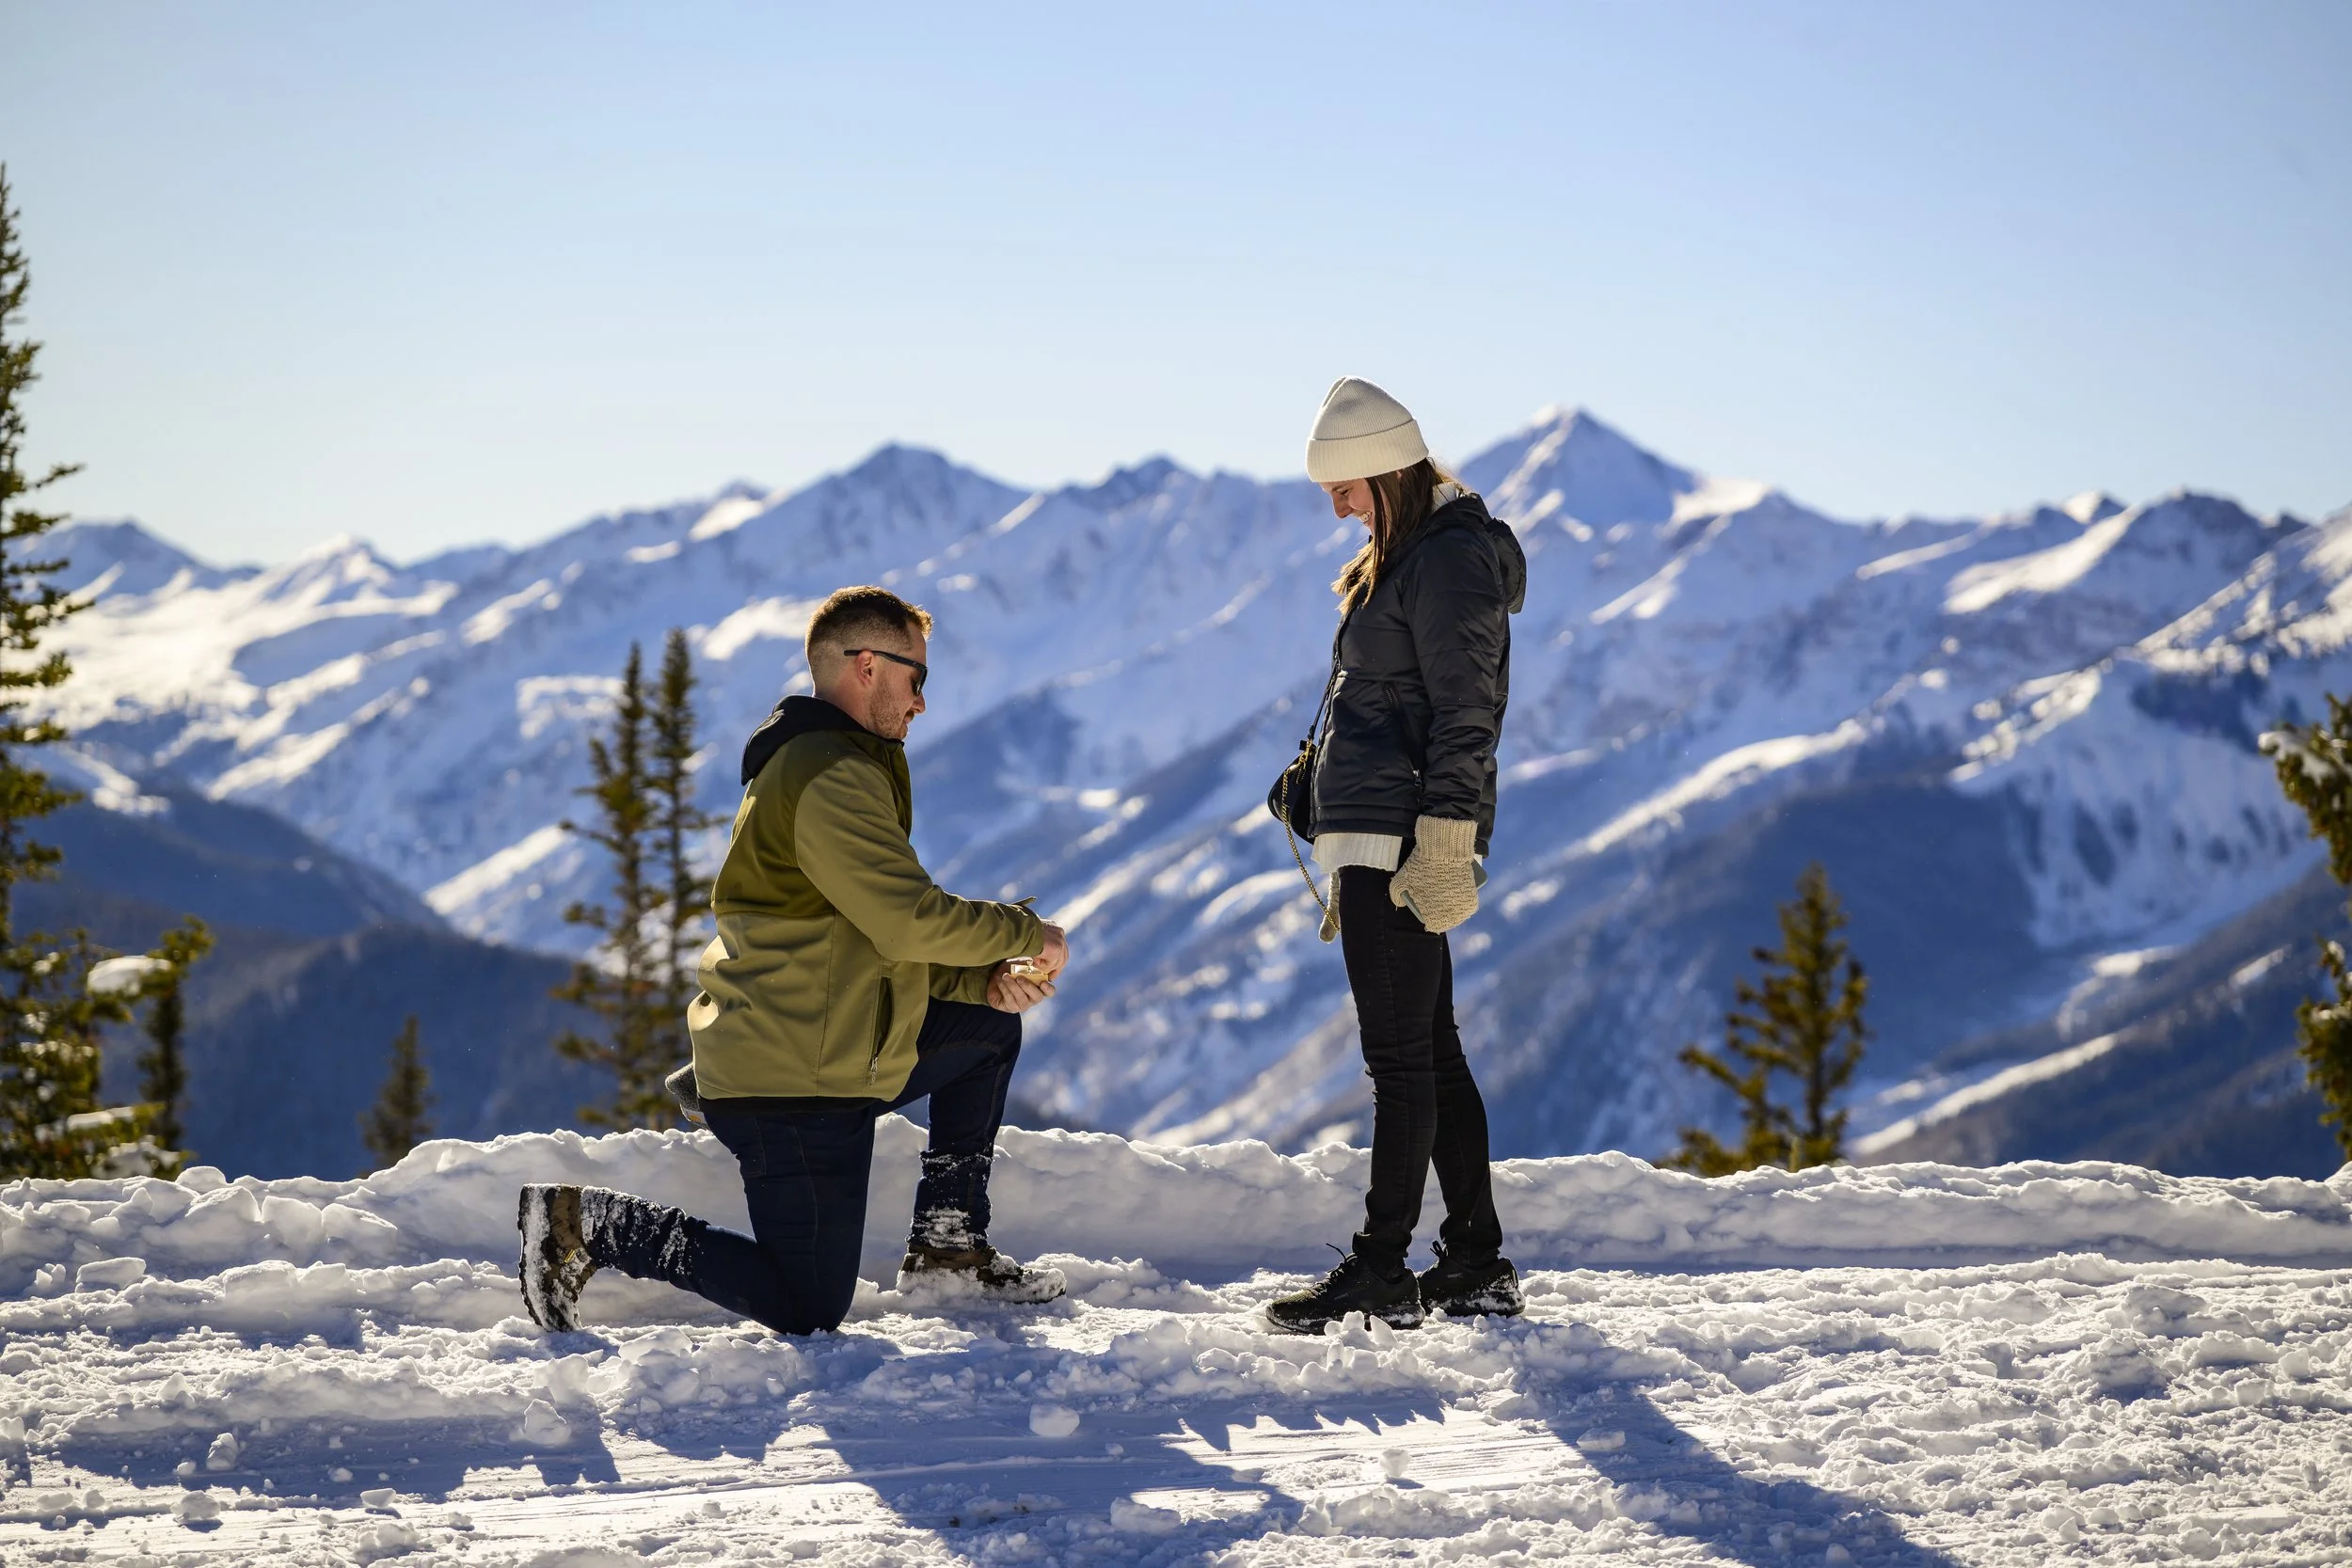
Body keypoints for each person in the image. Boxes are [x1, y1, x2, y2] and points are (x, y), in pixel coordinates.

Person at [517, 586, 1070, 1336]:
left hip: (833, 1045)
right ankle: (589, 1224)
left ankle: (949, 1247)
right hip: (793, 1072)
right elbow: (908, 918)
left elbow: (868, 940)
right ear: (867, 665)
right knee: (806, 1302)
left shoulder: (842, 763)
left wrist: (980, 979)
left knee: (984, 1028)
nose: (922, 702)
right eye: (919, 679)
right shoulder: (829, 775)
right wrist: (1024, 931)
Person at [1265, 377, 1529, 1334]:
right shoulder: (1411, 554)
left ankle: (1383, 1267)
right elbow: (1379, 700)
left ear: (1386, 468)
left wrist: (1447, 834)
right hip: (1379, 826)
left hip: (1404, 842)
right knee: (1431, 1048)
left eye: (1343, 484)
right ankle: (1472, 1261)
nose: (1332, 504)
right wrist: (1314, 777)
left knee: (1400, 1059)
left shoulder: (1447, 561)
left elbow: (1468, 711)